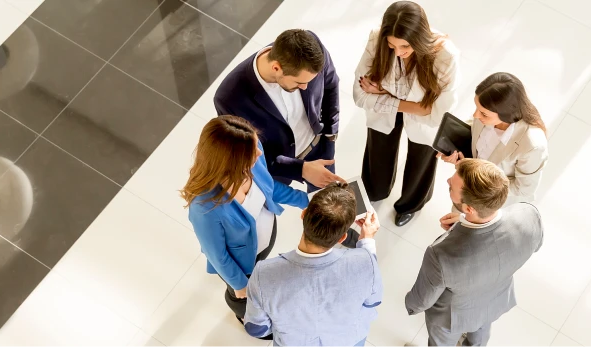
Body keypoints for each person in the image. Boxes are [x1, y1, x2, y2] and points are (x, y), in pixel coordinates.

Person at [215, 28, 359, 247]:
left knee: (330, 202)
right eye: (299, 83)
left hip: (321, 145)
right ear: (276, 68)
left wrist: (329, 133)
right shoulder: (231, 97)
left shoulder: (311, 49)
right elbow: (252, 156)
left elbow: (330, 83)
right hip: (280, 167)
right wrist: (301, 169)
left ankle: (334, 234)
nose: (306, 87)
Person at [181, 115, 309, 340]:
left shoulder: (253, 151)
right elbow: (218, 255)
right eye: (253, 152)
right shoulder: (204, 206)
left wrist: (308, 200)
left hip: (262, 241)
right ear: (230, 161)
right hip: (240, 263)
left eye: (255, 144)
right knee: (244, 296)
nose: (259, 153)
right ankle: (245, 315)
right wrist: (240, 286)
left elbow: (269, 188)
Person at [405, 159, 544, 347]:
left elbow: (421, 301)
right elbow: (534, 245)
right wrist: (464, 220)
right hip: (493, 302)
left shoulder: (441, 254)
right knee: (480, 333)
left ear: (470, 208)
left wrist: (410, 306)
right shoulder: (529, 215)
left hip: (452, 318)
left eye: (451, 187)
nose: (447, 181)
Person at [354, 0, 460, 227]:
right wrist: (415, 104)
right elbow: (360, 96)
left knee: (421, 160)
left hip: (423, 122)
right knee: (378, 151)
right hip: (388, 113)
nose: (399, 53)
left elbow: (436, 113)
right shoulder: (377, 38)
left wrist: (385, 95)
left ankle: (411, 204)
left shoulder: (445, 56)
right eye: (392, 47)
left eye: (406, 47)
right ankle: (374, 190)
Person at [243, 183, 383, 346]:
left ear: (303, 214)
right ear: (342, 238)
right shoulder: (366, 262)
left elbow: (256, 329)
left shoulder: (263, 274)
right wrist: (367, 241)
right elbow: (373, 301)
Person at [438, 72, 548, 206]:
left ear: (506, 113)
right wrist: (453, 151)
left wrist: (475, 176)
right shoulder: (485, 117)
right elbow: (473, 129)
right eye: (476, 108)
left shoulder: (532, 146)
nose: (475, 115)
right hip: (466, 192)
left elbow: (524, 189)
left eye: (483, 113)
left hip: (491, 205)